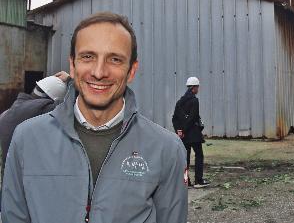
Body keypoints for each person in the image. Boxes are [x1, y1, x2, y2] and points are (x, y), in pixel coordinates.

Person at [1, 12, 187, 223]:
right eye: (88, 57)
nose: (99, 72)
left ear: (131, 71)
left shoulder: (166, 150)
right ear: (73, 65)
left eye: (115, 59)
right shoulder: (26, 139)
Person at [0, 72, 69, 209]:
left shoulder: (10, 111)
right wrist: (72, 79)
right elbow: (69, 107)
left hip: (7, 181)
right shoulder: (39, 110)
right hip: (21, 185)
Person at [172, 77, 210, 188]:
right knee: (199, 155)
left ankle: (186, 181)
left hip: (183, 136)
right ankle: (198, 181)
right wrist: (185, 129)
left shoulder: (180, 102)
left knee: (185, 159)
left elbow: (175, 118)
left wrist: (179, 131)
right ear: (194, 88)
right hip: (193, 134)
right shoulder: (194, 100)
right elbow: (193, 118)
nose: (198, 89)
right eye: (197, 87)